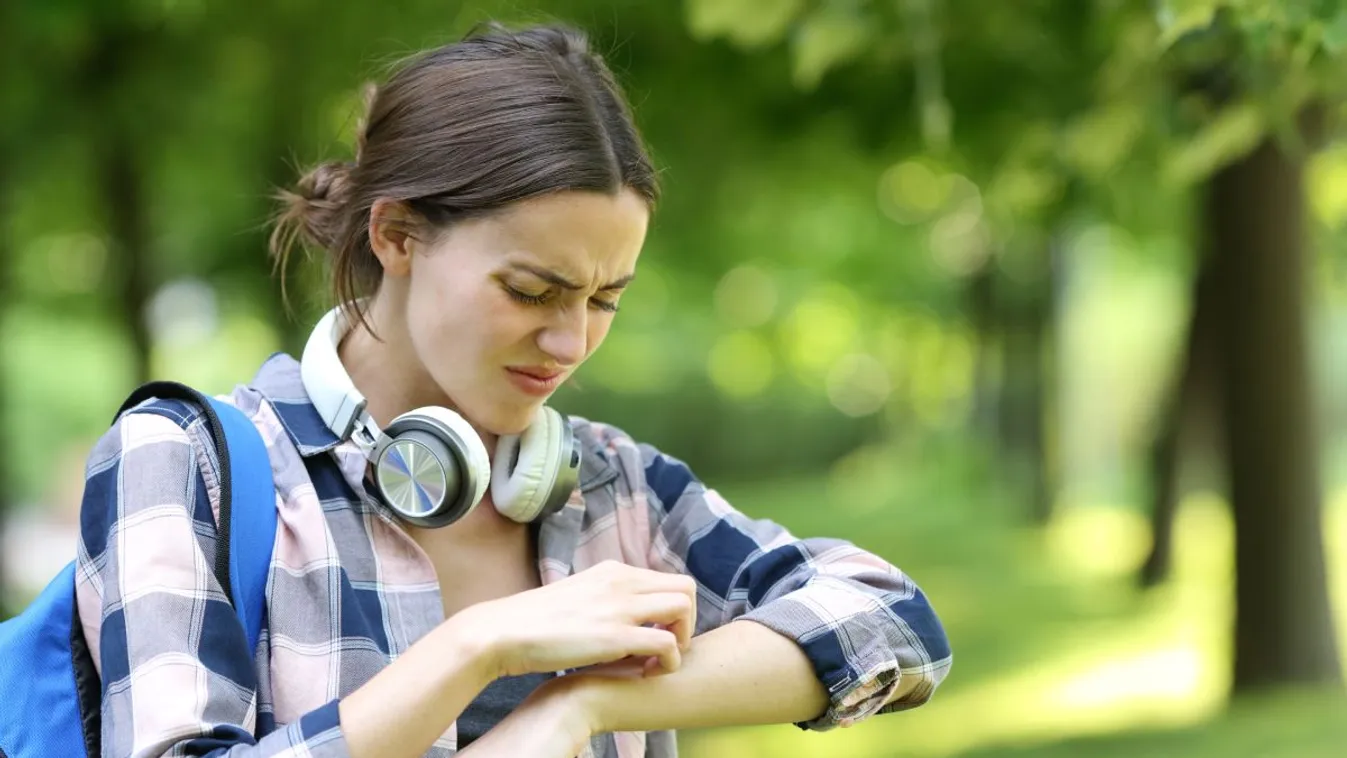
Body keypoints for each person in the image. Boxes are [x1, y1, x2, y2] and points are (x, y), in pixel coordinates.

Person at [74, 21, 952, 758]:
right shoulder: (185, 462)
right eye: (530, 291)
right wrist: (479, 647)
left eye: (605, 298)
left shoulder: (614, 485)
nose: (570, 341)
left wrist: (581, 706)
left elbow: (893, 622)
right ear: (397, 236)